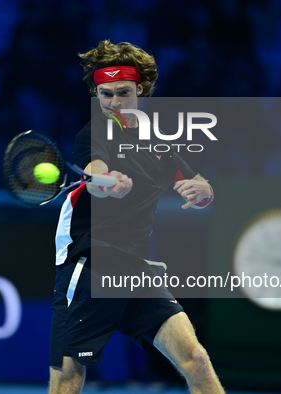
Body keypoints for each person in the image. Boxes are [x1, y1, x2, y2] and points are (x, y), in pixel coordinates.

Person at [49, 40, 225, 394]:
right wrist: (107, 184)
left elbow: (195, 183)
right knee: (68, 377)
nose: (114, 102)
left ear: (140, 89)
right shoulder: (94, 133)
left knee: (198, 361)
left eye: (123, 93)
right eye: (105, 94)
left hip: (135, 267)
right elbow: (95, 173)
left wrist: (204, 191)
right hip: (90, 260)